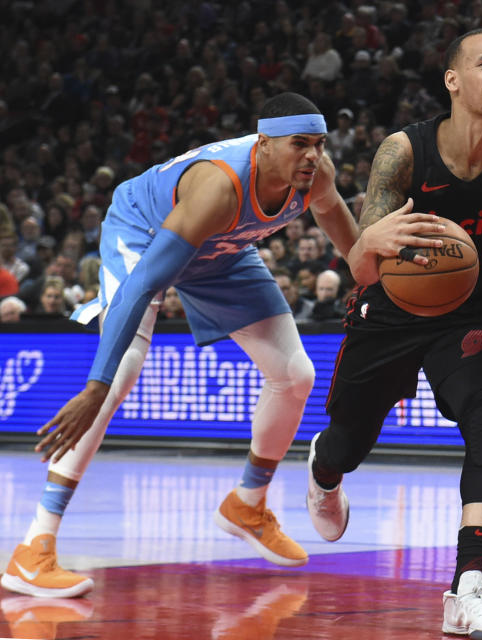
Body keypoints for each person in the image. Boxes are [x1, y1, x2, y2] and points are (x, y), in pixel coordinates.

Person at [2, 93, 361, 599]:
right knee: (122, 371)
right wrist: (95, 385)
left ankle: (247, 503)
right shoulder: (218, 185)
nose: (311, 156)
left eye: (318, 145)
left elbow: (351, 246)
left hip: (221, 250)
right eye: (299, 144)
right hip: (145, 233)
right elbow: (143, 284)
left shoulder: (316, 175)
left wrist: (387, 279)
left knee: (296, 374)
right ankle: (33, 548)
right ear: (262, 145)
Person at [306, 29, 482, 640]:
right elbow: (362, 262)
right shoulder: (403, 153)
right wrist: (376, 242)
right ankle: (324, 476)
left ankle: (469, 589)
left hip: (472, 317)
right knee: (348, 441)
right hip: (392, 315)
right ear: (453, 80)